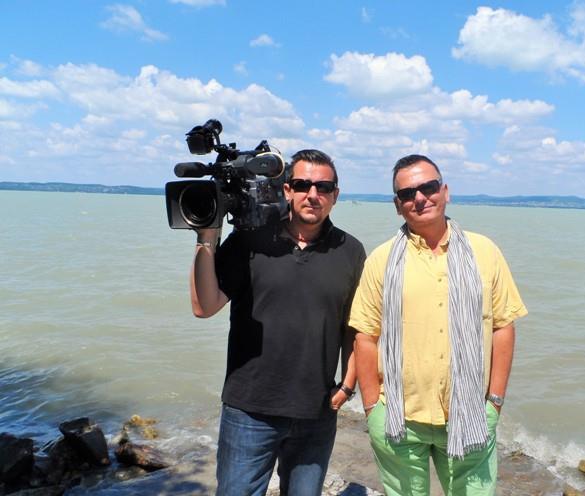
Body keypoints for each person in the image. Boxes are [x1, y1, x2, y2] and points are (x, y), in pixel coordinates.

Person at [350, 154, 528, 496]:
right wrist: (372, 407)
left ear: (445, 191)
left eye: (428, 187)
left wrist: (494, 402)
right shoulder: (381, 259)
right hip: (398, 419)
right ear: (397, 205)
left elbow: (503, 326)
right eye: (407, 193)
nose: (420, 198)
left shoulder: (484, 251)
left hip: (471, 415)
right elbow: (365, 336)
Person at [191, 149, 366, 495]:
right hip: (249, 411)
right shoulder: (249, 242)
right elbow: (204, 306)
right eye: (302, 185)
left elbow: (355, 327)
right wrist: (206, 238)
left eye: (323, 187)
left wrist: (347, 386)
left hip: (316, 411)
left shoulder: (350, 251)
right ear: (287, 190)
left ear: (335, 195)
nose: (312, 194)